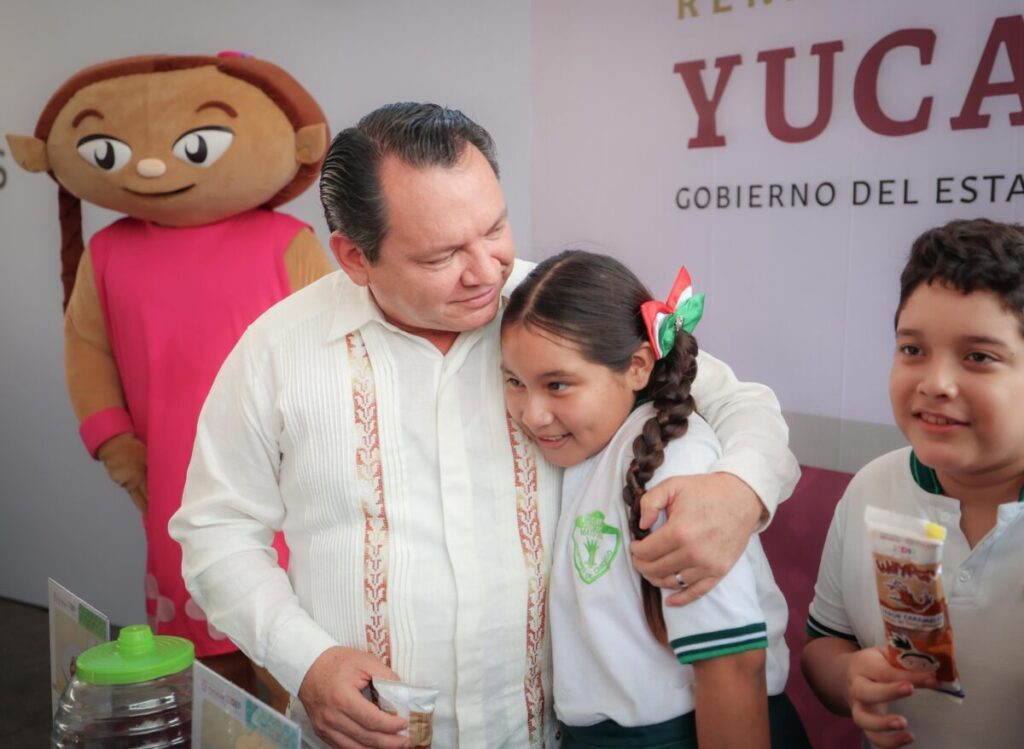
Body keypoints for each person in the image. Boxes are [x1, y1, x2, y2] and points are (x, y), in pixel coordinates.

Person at [170, 102, 800, 749]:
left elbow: (738, 401)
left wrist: (741, 490)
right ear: (355, 257)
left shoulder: (552, 310)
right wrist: (307, 661)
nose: (487, 270)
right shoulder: (278, 350)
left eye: (495, 227)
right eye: (442, 255)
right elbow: (216, 529)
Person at [7, 53, 333, 701]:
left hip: (292, 472)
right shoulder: (108, 254)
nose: (152, 165)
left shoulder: (288, 243)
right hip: (175, 473)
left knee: (299, 632)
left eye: (194, 145)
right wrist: (113, 439)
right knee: (201, 629)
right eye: (113, 151)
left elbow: (334, 353)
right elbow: (87, 351)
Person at [500, 251, 810, 749]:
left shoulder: (673, 464)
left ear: (638, 366)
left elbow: (731, 666)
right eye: (514, 382)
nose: (532, 414)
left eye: (558, 385)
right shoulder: (596, 448)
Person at [801, 218, 1024, 748]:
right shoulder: (871, 488)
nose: (935, 383)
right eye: (912, 350)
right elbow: (824, 645)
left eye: (979, 357)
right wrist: (850, 678)